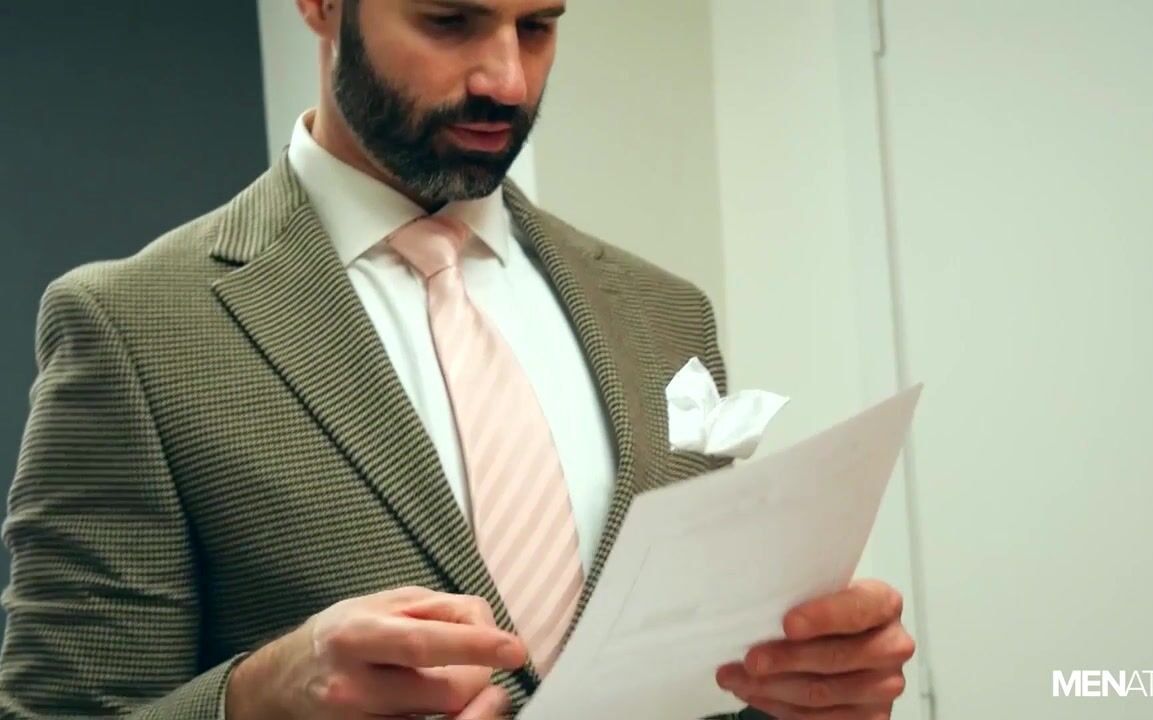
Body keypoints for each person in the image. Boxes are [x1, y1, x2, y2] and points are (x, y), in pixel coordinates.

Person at [0, 1, 915, 718]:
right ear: (319, 5)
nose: (507, 80)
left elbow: (699, 677)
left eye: (538, 25)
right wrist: (256, 699)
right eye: (449, 21)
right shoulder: (134, 326)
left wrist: (813, 693)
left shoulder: (663, 313)